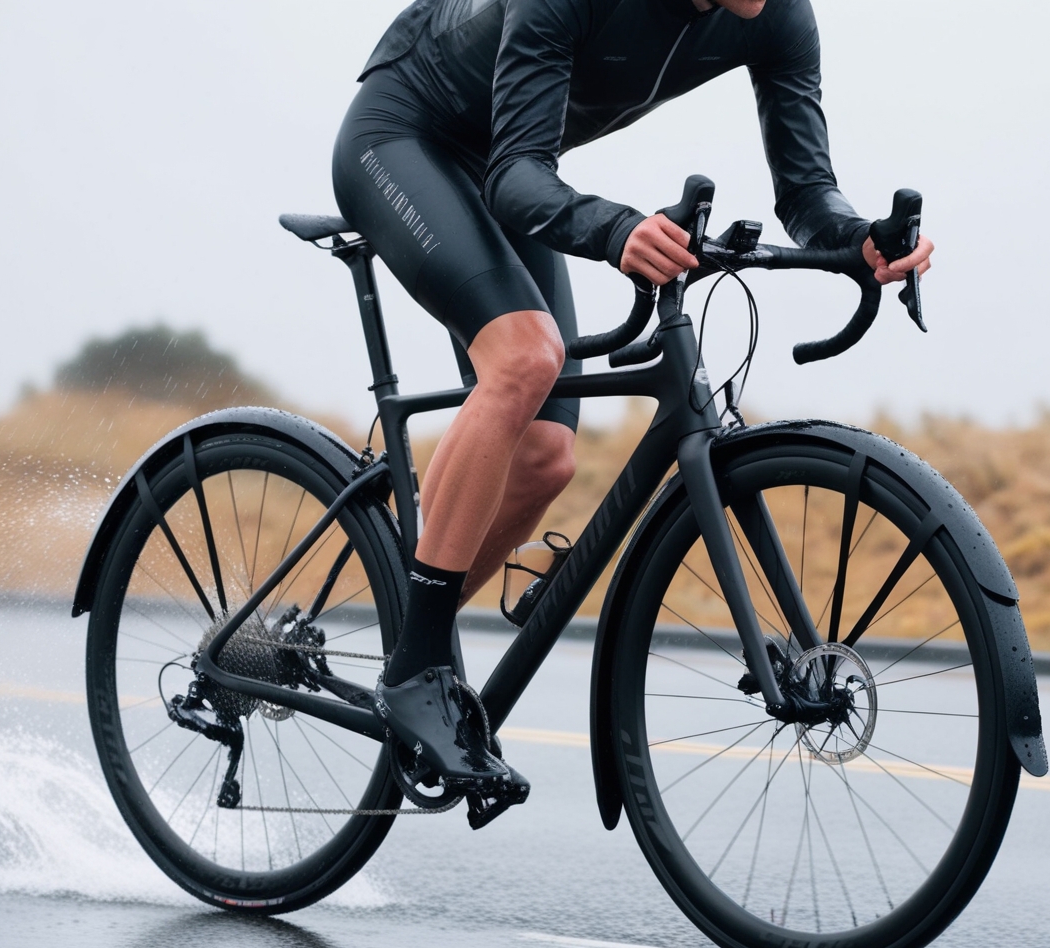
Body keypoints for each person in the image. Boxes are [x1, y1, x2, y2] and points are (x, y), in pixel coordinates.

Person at [331, 0, 934, 825]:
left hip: (507, 165)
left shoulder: (777, 17)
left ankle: (400, 636)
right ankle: (415, 674)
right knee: (524, 358)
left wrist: (858, 239)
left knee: (546, 459)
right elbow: (517, 177)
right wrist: (617, 231)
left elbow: (807, 191)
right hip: (405, 138)